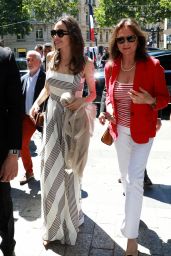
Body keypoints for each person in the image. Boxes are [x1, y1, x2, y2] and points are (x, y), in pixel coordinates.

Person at [98, 18, 169, 256]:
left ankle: (131, 239)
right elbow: (109, 94)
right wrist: (106, 110)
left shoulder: (153, 66)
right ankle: (133, 215)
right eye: (121, 39)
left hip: (143, 133)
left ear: (138, 39)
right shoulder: (111, 67)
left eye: (130, 38)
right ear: (115, 43)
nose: (126, 43)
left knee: (135, 179)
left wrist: (150, 101)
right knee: (126, 180)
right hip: (120, 132)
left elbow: (164, 98)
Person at [30, 16, 96, 246]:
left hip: (71, 123)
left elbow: (93, 95)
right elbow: (48, 89)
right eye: (53, 33)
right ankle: (52, 227)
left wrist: (82, 102)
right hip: (50, 120)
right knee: (49, 172)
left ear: (72, 36)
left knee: (69, 173)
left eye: (60, 33)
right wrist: (37, 104)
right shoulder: (49, 57)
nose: (55, 38)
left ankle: (70, 220)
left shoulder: (84, 63)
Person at [99, 88, 162, 186]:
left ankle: (140, 175)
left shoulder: (146, 72)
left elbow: (155, 91)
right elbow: (106, 90)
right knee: (125, 152)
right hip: (119, 121)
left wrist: (158, 116)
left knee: (138, 149)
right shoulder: (112, 72)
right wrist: (103, 111)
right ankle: (127, 175)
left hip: (142, 117)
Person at [0, 46, 22, 256]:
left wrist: (13, 154)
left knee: (3, 208)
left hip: (0, 152)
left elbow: (16, 109)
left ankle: (8, 248)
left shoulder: (4, 57)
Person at [20, 50, 46, 185]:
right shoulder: (23, 78)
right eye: (27, 60)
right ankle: (29, 172)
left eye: (31, 59)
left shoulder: (46, 78)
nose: (28, 62)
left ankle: (51, 174)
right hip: (27, 118)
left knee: (48, 147)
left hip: (43, 118)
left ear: (39, 62)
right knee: (22, 144)